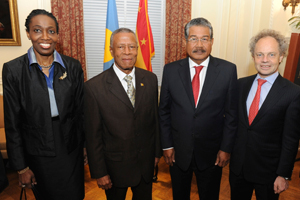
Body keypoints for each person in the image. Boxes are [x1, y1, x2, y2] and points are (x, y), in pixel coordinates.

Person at [2, 9, 85, 200]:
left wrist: (85, 146)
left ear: (57, 34)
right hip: (37, 149)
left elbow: (81, 111)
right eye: (38, 30)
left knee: (75, 195)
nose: (45, 37)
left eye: (51, 31)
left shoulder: (72, 66)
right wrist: (21, 166)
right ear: (28, 34)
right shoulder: (13, 70)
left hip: (70, 147)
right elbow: (12, 123)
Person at [159, 17, 238, 200]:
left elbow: (232, 114)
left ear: (211, 41)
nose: (199, 44)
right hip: (178, 152)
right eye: (193, 38)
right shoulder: (170, 70)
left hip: (212, 154)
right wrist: (167, 145)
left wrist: (226, 148)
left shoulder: (228, 70)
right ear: (185, 42)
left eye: (205, 39)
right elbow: (164, 111)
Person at [84, 28, 161, 200]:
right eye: (120, 47)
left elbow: (154, 120)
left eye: (132, 47)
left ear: (137, 50)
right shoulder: (94, 88)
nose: (127, 52)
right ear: (111, 50)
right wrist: (99, 172)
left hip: (145, 166)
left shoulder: (150, 79)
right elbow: (93, 136)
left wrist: (156, 154)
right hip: (114, 170)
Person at [229, 29, 300, 200]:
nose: (265, 60)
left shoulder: (293, 93)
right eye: (259, 54)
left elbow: (290, 139)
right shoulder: (240, 85)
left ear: (281, 56)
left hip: (270, 174)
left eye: (271, 54)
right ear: (253, 57)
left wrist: (283, 174)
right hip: (239, 169)